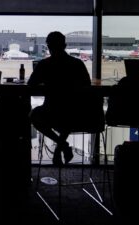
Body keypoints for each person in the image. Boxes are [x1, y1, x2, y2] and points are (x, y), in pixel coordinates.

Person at [27, 31, 91, 165]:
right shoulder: (77, 64)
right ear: (65, 45)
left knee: (33, 115)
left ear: (48, 47)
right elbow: (87, 86)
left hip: (51, 112)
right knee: (68, 114)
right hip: (77, 114)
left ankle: (62, 145)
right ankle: (60, 148)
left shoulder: (44, 65)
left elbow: (30, 85)